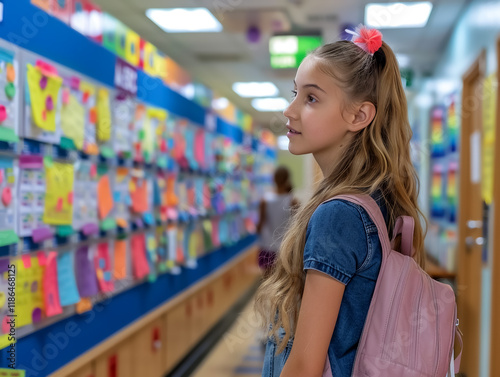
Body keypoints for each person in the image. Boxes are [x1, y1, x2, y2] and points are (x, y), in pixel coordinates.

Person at [254, 25, 426, 377]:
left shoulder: (339, 216)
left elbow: (304, 366)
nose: (290, 110)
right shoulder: (378, 200)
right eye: (295, 93)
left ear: (359, 116)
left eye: (311, 98)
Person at [256, 166, 299, 277]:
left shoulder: (265, 200)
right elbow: (299, 226)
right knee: (284, 282)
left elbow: (259, 227)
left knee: (267, 281)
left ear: (273, 179)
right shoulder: (293, 201)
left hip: (267, 247)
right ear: (287, 179)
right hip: (285, 248)